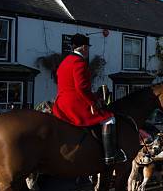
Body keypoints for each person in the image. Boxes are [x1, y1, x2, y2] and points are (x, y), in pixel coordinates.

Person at [52, 34, 126, 164]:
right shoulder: (79, 63)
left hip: (60, 102)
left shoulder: (65, 61)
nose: (88, 51)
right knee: (109, 118)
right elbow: (81, 87)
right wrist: (93, 102)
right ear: (84, 47)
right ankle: (110, 155)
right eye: (87, 48)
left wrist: (95, 97)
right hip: (74, 103)